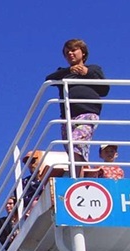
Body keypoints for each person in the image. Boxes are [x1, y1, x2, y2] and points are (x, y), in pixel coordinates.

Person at [44, 39, 108, 170]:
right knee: (73, 150)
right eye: (67, 52)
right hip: (68, 117)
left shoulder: (94, 69)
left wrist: (87, 73)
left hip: (87, 113)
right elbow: (49, 79)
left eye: (73, 50)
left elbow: (105, 89)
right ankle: (85, 174)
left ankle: (78, 179)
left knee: (76, 144)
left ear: (83, 53)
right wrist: (69, 71)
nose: (70, 54)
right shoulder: (63, 72)